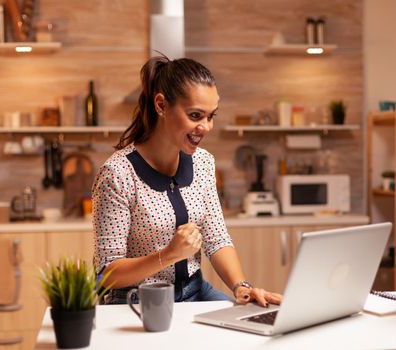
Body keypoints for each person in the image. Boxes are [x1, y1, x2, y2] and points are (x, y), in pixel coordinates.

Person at [92, 55, 282, 307]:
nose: (205, 127)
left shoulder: (203, 163)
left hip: (195, 291)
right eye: (195, 115)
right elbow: (107, 274)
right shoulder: (118, 174)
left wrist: (241, 287)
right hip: (137, 301)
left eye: (210, 116)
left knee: (252, 329)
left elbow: (217, 239)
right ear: (161, 105)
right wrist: (168, 255)